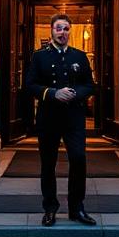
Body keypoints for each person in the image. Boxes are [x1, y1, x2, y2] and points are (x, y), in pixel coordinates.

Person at [22, 12, 96, 226]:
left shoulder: (79, 56)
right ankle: (50, 209)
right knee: (48, 164)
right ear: (51, 31)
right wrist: (53, 93)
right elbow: (30, 85)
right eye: (58, 28)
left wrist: (75, 93)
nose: (62, 32)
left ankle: (77, 208)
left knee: (79, 160)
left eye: (65, 29)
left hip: (73, 117)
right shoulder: (39, 56)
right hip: (48, 117)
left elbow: (90, 85)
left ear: (69, 31)